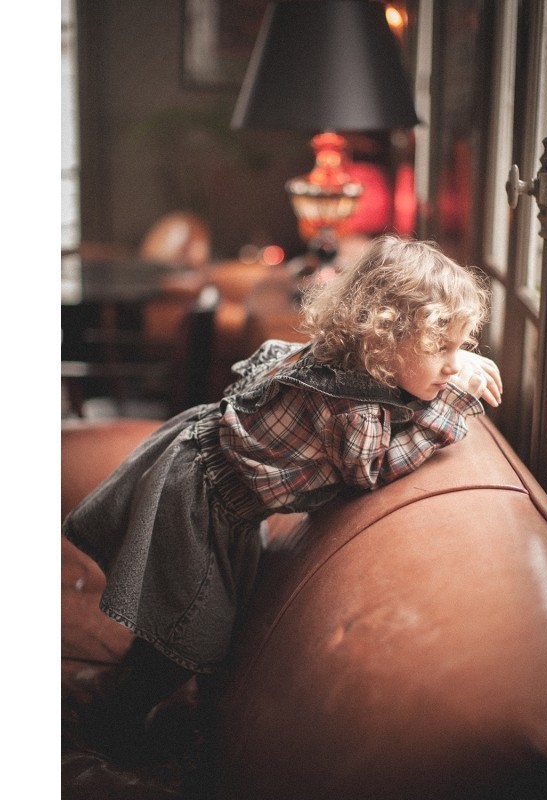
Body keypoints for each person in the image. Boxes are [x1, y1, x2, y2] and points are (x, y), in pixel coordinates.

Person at [62, 234, 502, 763]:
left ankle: (125, 703)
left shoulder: (351, 359)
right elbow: (375, 468)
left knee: (177, 620)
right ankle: (109, 729)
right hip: (199, 501)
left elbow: (410, 384)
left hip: (204, 475)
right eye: (440, 347)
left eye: (459, 345)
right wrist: (450, 403)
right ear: (384, 337)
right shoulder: (352, 409)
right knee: (186, 631)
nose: (454, 365)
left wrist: (447, 364)